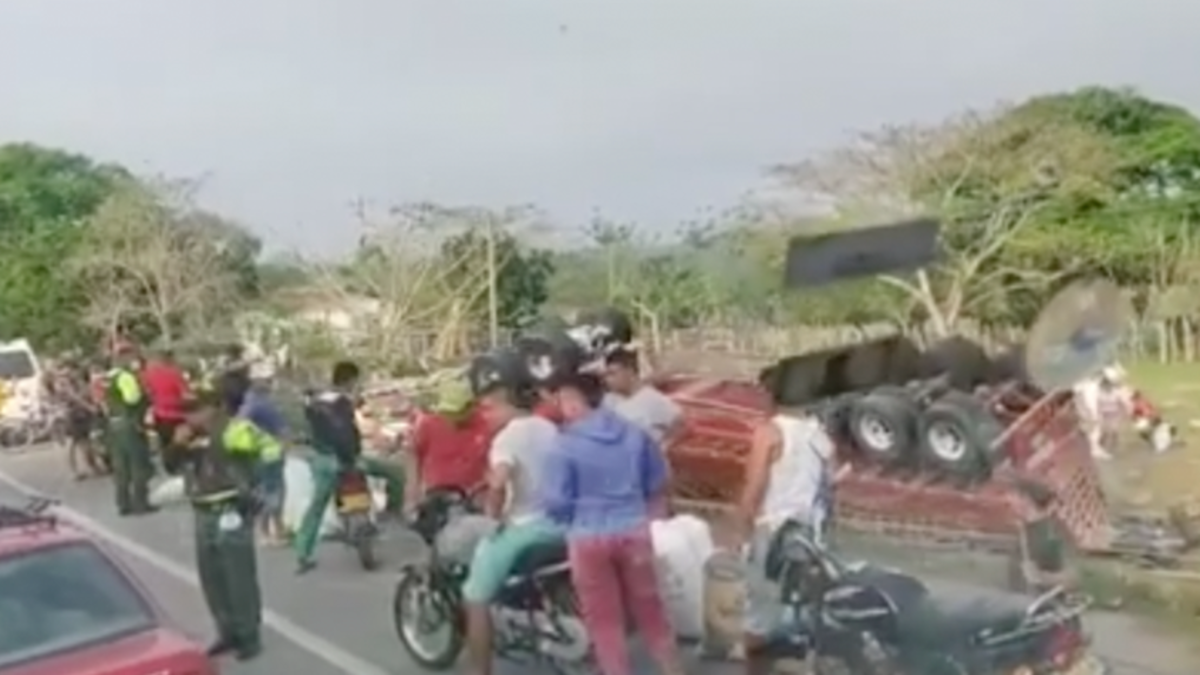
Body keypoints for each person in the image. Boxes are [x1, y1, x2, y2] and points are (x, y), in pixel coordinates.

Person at [540, 368, 683, 675]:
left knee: (604, 620)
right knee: (651, 609)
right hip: (634, 530)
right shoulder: (634, 434)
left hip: (588, 536)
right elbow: (656, 482)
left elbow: (556, 501)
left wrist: (566, 518)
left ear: (573, 400)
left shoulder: (564, 444)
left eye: (561, 400)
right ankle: (672, 668)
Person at [732, 366, 849, 675]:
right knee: (805, 606)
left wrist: (742, 533)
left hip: (772, 532)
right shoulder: (818, 434)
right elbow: (833, 483)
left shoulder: (770, 433)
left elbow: (754, 486)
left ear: (772, 395)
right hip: (808, 535)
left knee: (757, 612)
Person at [461, 351, 563, 675]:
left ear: (505, 401)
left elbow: (499, 483)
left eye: (488, 409)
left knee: (475, 596)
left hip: (526, 528)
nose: (486, 416)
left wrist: (491, 517)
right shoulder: (548, 428)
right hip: (562, 524)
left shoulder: (507, 438)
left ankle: (480, 670)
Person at [179, 386, 281, 660]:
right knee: (213, 579)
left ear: (215, 407)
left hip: (230, 509)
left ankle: (248, 636)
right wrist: (177, 445)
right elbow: (171, 465)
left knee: (238, 577)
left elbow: (271, 449)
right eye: (186, 411)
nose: (190, 416)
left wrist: (257, 483)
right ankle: (227, 632)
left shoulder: (234, 430)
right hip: (203, 510)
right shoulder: (188, 435)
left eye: (197, 409)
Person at [294, 360, 405, 574]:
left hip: (323, 461)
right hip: (348, 460)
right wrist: (351, 457)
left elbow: (309, 433)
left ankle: (303, 553)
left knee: (316, 508)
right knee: (395, 473)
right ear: (350, 380)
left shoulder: (313, 403)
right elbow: (346, 433)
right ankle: (392, 513)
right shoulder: (343, 403)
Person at [401, 378, 491, 518]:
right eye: (448, 412)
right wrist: (411, 496)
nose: (452, 417)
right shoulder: (428, 424)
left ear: (471, 407)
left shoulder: (487, 423)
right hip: (438, 495)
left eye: (457, 412)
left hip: (474, 495)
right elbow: (413, 455)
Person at [105, 345, 156, 516]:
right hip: (130, 424)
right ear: (124, 358)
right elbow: (132, 399)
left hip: (114, 425)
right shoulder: (126, 377)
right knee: (138, 464)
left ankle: (123, 503)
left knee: (121, 466)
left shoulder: (108, 378)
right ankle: (141, 502)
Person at [242, 363, 288, 546]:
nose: (271, 383)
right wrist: (285, 445)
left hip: (256, 453)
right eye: (268, 380)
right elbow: (282, 429)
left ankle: (269, 530)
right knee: (274, 491)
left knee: (263, 490)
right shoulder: (263, 404)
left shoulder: (248, 402)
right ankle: (272, 531)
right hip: (270, 453)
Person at [602, 348, 682, 447]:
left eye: (612, 374)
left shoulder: (653, 400)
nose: (607, 380)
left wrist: (663, 446)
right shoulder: (608, 401)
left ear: (629, 372)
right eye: (606, 375)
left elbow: (679, 424)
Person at [1009, 479, 1075, 594]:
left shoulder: (1054, 531)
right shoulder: (1024, 529)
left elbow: (1074, 578)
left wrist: (1042, 577)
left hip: (1047, 603)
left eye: (1013, 497)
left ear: (1026, 500)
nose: (1009, 502)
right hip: (1022, 602)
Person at [142, 348, 191, 475]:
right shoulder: (175, 373)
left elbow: (148, 391)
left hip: (160, 413)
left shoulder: (149, 374)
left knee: (165, 441)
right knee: (180, 441)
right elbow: (185, 394)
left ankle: (169, 467)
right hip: (177, 412)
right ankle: (182, 464)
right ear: (170, 359)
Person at [58, 360, 105, 479]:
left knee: (85, 442)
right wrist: (90, 407)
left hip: (82, 414)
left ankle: (93, 467)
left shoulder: (78, 381)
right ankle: (76, 471)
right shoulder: (64, 383)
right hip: (72, 415)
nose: (70, 373)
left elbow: (86, 393)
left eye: (72, 370)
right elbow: (75, 397)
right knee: (76, 443)